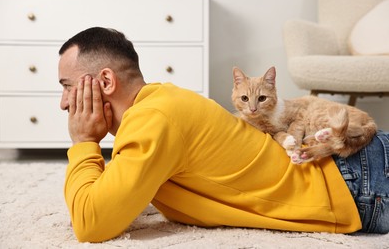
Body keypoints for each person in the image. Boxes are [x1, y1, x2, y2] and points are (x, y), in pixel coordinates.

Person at [58, 27, 389, 243]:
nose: (63, 103)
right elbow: (114, 194)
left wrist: (84, 142)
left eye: (67, 87)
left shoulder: (152, 120)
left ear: (104, 82)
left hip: (358, 179)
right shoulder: (160, 103)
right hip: (359, 170)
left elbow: (91, 223)